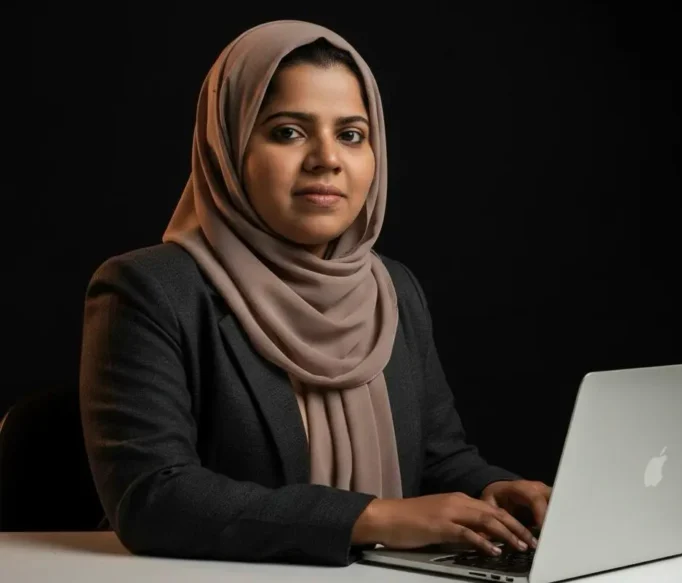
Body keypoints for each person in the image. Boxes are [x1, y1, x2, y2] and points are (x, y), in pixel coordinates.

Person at [78, 20, 552, 567]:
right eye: (288, 132)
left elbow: (437, 460)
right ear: (227, 147)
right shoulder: (149, 290)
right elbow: (154, 499)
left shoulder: (393, 289)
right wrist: (371, 519)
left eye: (351, 135)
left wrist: (493, 491)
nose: (327, 158)